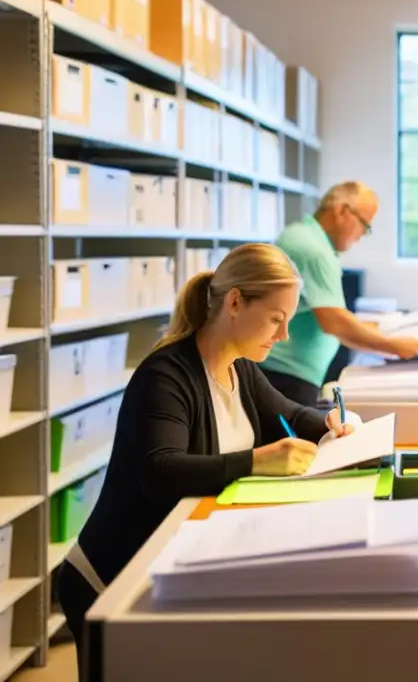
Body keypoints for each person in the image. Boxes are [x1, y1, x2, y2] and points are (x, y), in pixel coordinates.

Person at [56, 244, 355, 676]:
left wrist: (329, 421)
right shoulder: (166, 375)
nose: (284, 334)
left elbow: (288, 414)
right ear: (235, 302)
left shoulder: (240, 367)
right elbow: (163, 472)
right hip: (113, 575)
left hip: (171, 563)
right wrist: (256, 461)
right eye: (276, 319)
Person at [261, 182, 418, 405]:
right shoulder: (314, 250)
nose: (364, 234)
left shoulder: (306, 236)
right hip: (283, 376)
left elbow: (331, 315)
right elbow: (334, 322)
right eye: (364, 224)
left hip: (284, 373)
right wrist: (394, 347)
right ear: (342, 211)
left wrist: (381, 329)